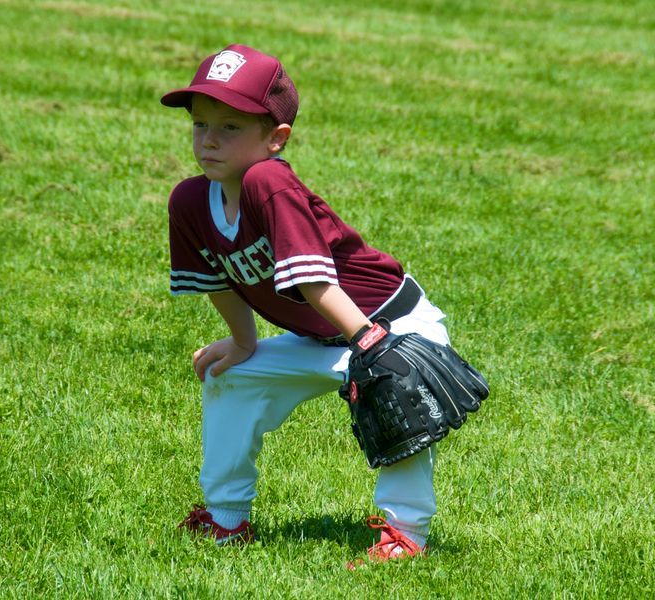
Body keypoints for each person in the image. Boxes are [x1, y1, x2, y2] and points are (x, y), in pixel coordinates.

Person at [161, 44, 453, 564]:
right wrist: (244, 342)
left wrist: (370, 345)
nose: (208, 140)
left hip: (389, 322)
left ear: (276, 139)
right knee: (232, 376)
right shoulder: (189, 200)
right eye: (200, 124)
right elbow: (216, 278)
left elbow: (314, 280)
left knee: (391, 391)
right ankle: (226, 521)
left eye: (231, 127)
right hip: (323, 334)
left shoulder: (268, 181)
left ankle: (406, 534)